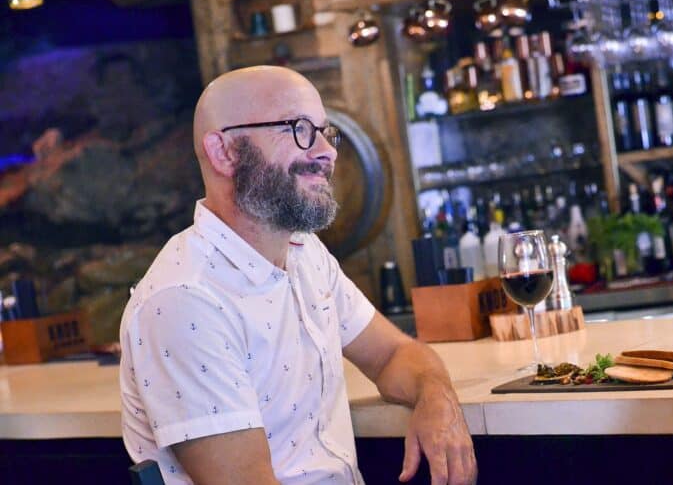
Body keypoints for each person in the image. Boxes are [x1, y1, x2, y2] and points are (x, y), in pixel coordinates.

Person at [119, 66, 477, 485]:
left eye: (326, 132)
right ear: (224, 152)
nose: (328, 152)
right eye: (299, 129)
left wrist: (436, 397)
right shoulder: (184, 300)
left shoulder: (305, 253)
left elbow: (392, 355)